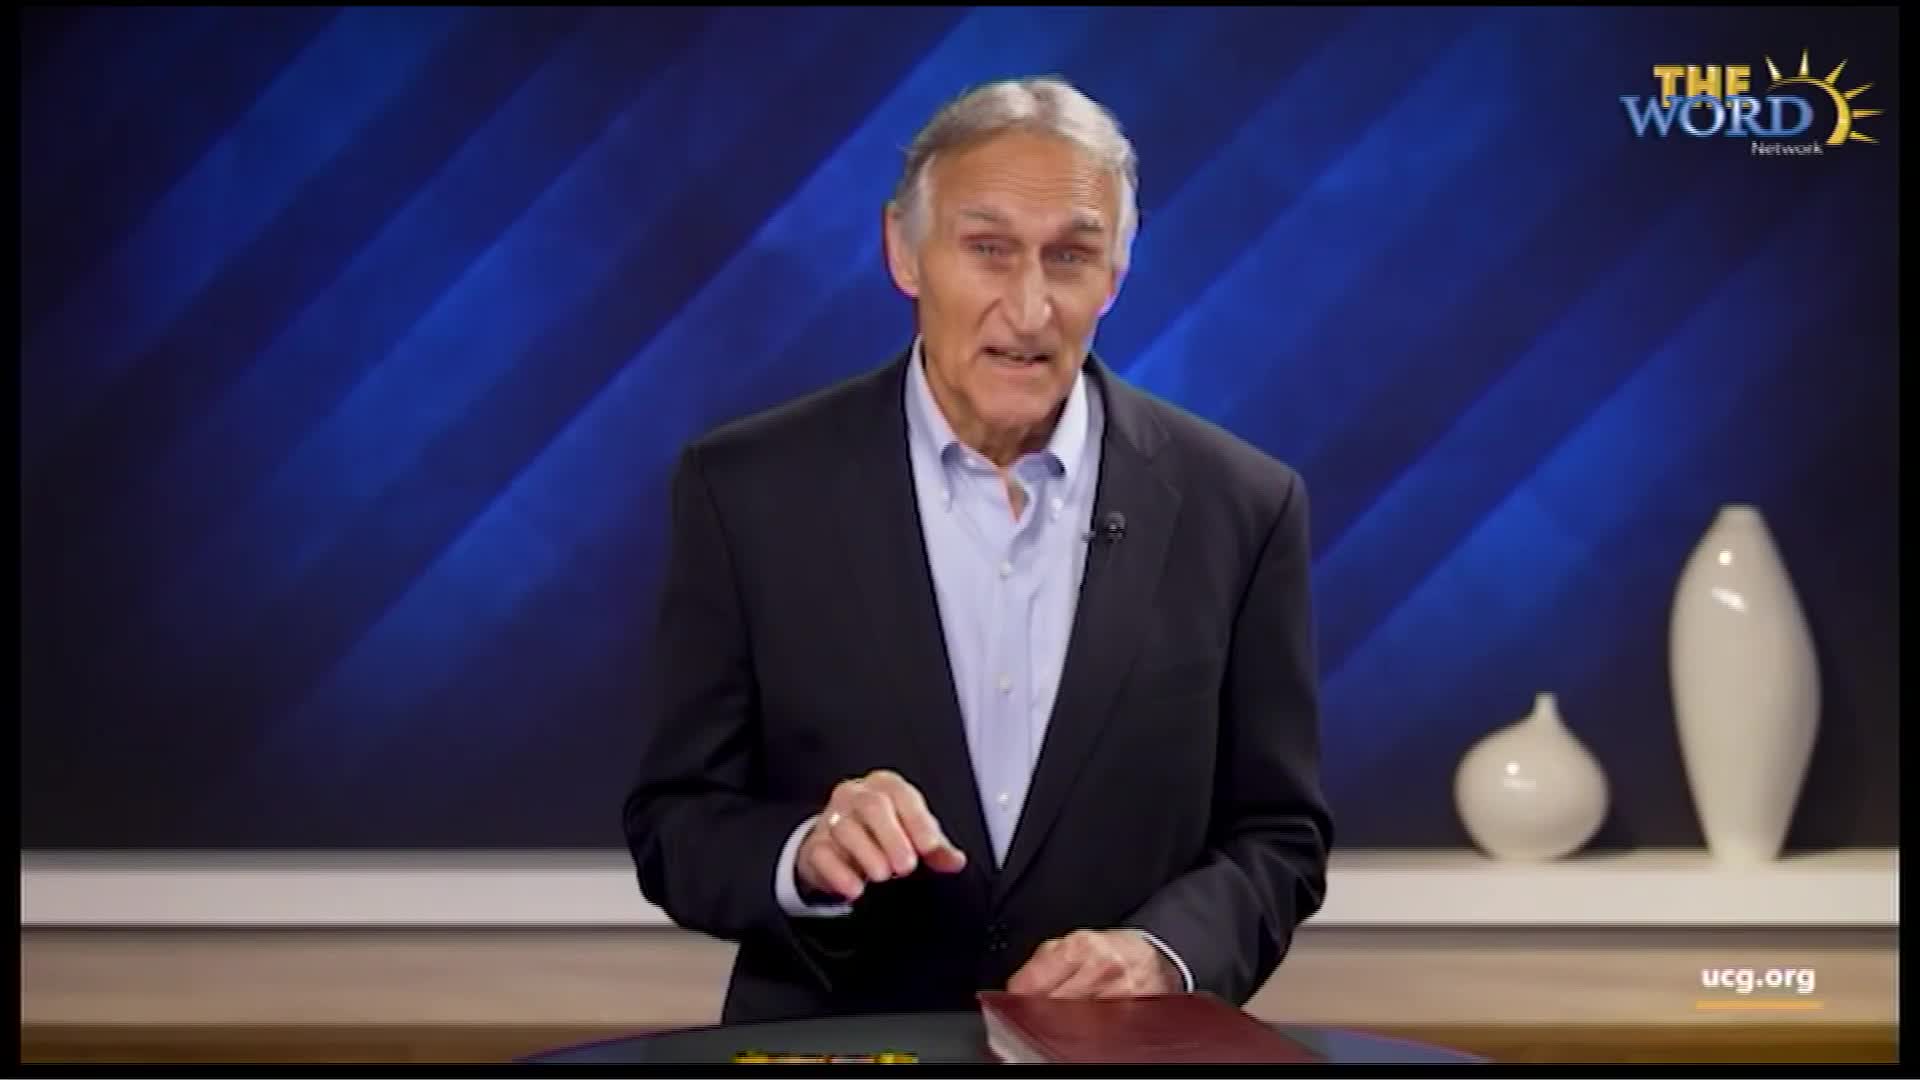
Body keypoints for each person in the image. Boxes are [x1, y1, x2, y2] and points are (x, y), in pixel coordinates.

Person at [622, 75, 1332, 1024]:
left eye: (1070, 257)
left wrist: (1164, 954)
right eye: (987, 249)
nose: (1029, 307)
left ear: (1115, 277)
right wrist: (806, 853)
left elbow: (1279, 835)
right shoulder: (744, 491)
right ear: (904, 253)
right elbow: (678, 823)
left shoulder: (1242, 505)